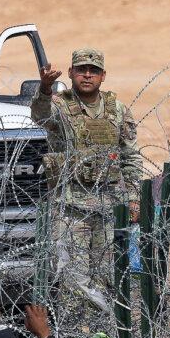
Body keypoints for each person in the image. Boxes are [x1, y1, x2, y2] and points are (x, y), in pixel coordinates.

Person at [32, 48, 143, 320]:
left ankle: (103, 335)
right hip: (71, 207)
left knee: (107, 274)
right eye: (81, 69)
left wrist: (134, 197)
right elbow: (40, 116)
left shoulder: (117, 110)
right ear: (70, 73)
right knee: (73, 279)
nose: (87, 75)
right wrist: (45, 88)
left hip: (108, 207)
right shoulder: (59, 105)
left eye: (93, 70)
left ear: (103, 76)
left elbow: (130, 155)